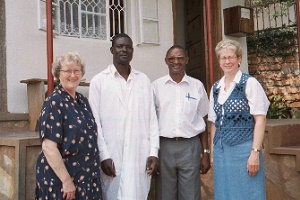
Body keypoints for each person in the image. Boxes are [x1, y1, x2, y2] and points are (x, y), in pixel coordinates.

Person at [89, 33, 159, 200]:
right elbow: (95, 123)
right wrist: (103, 155)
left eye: (128, 47)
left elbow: (152, 119)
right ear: (112, 49)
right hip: (112, 157)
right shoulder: (99, 81)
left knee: (138, 194)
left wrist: (153, 152)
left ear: (133, 51)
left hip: (139, 155)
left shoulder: (143, 80)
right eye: (120, 46)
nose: (124, 50)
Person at [35, 52, 102, 200]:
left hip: (85, 179)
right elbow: (48, 147)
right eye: (67, 71)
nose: (73, 75)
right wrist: (66, 180)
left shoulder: (83, 101)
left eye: (76, 71)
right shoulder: (54, 102)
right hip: (63, 183)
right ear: (58, 74)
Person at [208, 39, 270, 199]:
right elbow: (214, 123)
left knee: (248, 192)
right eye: (223, 58)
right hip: (221, 151)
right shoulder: (216, 88)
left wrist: (255, 153)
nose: (227, 61)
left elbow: (260, 120)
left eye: (231, 57)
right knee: (224, 193)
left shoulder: (249, 83)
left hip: (244, 150)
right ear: (219, 60)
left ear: (239, 59)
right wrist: (213, 154)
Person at [152, 45, 210, 200]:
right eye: (171, 58)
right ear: (166, 61)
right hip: (164, 147)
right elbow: (150, 122)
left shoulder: (197, 86)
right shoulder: (156, 87)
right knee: (165, 195)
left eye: (180, 58)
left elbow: (203, 117)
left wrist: (205, 152)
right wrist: (152, 152)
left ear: (186, 60)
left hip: (189, 147)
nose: (175, 62)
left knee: (191, 195)